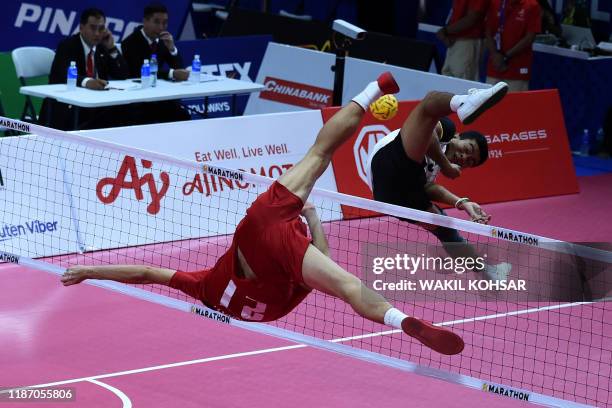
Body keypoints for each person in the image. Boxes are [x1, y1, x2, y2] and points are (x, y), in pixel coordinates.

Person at [61, 73, 507, 356]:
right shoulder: (206, 290)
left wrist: (89, 269)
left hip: (271, 264)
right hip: (263, 229)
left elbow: (333, 273)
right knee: (321, 150)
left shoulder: (264, 304)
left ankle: (396, 318)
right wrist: (311, 219)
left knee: (350, 286)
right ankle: (372, 88)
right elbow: (147, 272)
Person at [366, 82, 511, 281]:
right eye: (467, 150)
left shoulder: (433, 170)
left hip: (392, 197)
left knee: (445, 227)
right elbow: (431, 134)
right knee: (429, 105)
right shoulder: (448, 132)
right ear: (459, 137)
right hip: (387, 163)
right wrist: (445, 165)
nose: (464, 157)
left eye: (470, 161)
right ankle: (464, 102)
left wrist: (462, 203)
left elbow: (428, 187)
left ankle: (488, 273)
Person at [39, 8, 130, 130]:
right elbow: (62, 74)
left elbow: (122, 74)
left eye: (101, 28)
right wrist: (87, 82)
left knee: (123, 112)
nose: (97, 33)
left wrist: (112, 48)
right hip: (66, 107)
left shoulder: (102, 48)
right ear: (81, 27)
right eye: (93, 28)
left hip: (94, 105)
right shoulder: (68, 45)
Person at [121, 3, 191, 124]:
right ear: (145, 21)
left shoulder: (163, 41)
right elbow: (141, 70)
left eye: (164, 23)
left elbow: (179, 68)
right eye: (157, 22)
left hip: (158, 96)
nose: (161, 27)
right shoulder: (130, 42)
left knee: (183, 115)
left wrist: (172, 48)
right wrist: (172, 73)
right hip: (138, 98)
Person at [484, 0, 541, 92]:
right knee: (489, 104)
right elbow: (488, 32)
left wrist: (505, 57)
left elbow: (530, 37)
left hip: (517, 69)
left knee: (514, 104)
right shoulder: (495, 2)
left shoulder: (532, 5)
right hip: (495, 67)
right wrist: (495, 55)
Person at [437, 0, 490, 81]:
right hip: (454, 42)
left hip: (468, 42)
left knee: (463, 83)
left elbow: (473, 18)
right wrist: (447, 33)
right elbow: (455, 13)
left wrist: (445, 31)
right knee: (447, 80)